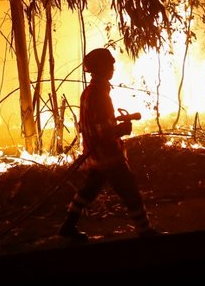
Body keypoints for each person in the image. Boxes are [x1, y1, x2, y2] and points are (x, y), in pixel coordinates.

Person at [57, 47, 160, 240]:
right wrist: (123, 129)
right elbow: (103, 131)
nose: (113, 67)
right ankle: (145, 231)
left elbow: (94, 124)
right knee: (131, 193)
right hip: (108, 156)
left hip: (95, 155)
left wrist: (115, 125)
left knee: (88, 191)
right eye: (109, 64)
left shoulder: (88, 92)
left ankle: (67, 226)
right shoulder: (99, 95)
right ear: (101, 68)